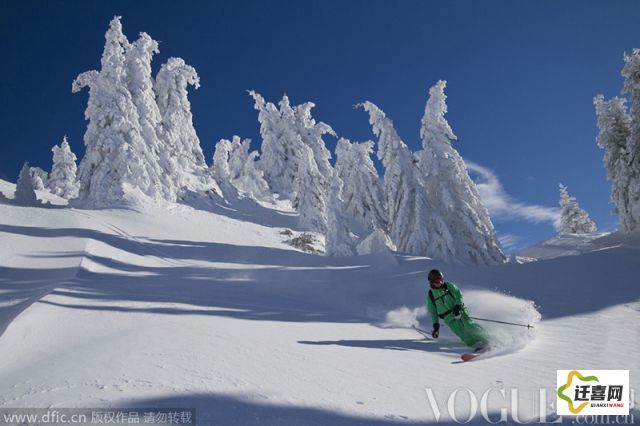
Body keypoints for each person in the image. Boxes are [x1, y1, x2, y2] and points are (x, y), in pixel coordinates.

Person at [426, 269, 489, 350]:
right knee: (464, 335)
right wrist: (436, 327)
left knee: (470, 326)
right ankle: (476, 346)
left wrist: (458, 306)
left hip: (459, 312)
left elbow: (459, 295)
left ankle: (488, 340)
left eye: (441, 280)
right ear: (431, 281)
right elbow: (433, 312)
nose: (440, 282)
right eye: (437, 281)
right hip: (449, 319)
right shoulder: (431, 295)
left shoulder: (448, 286)